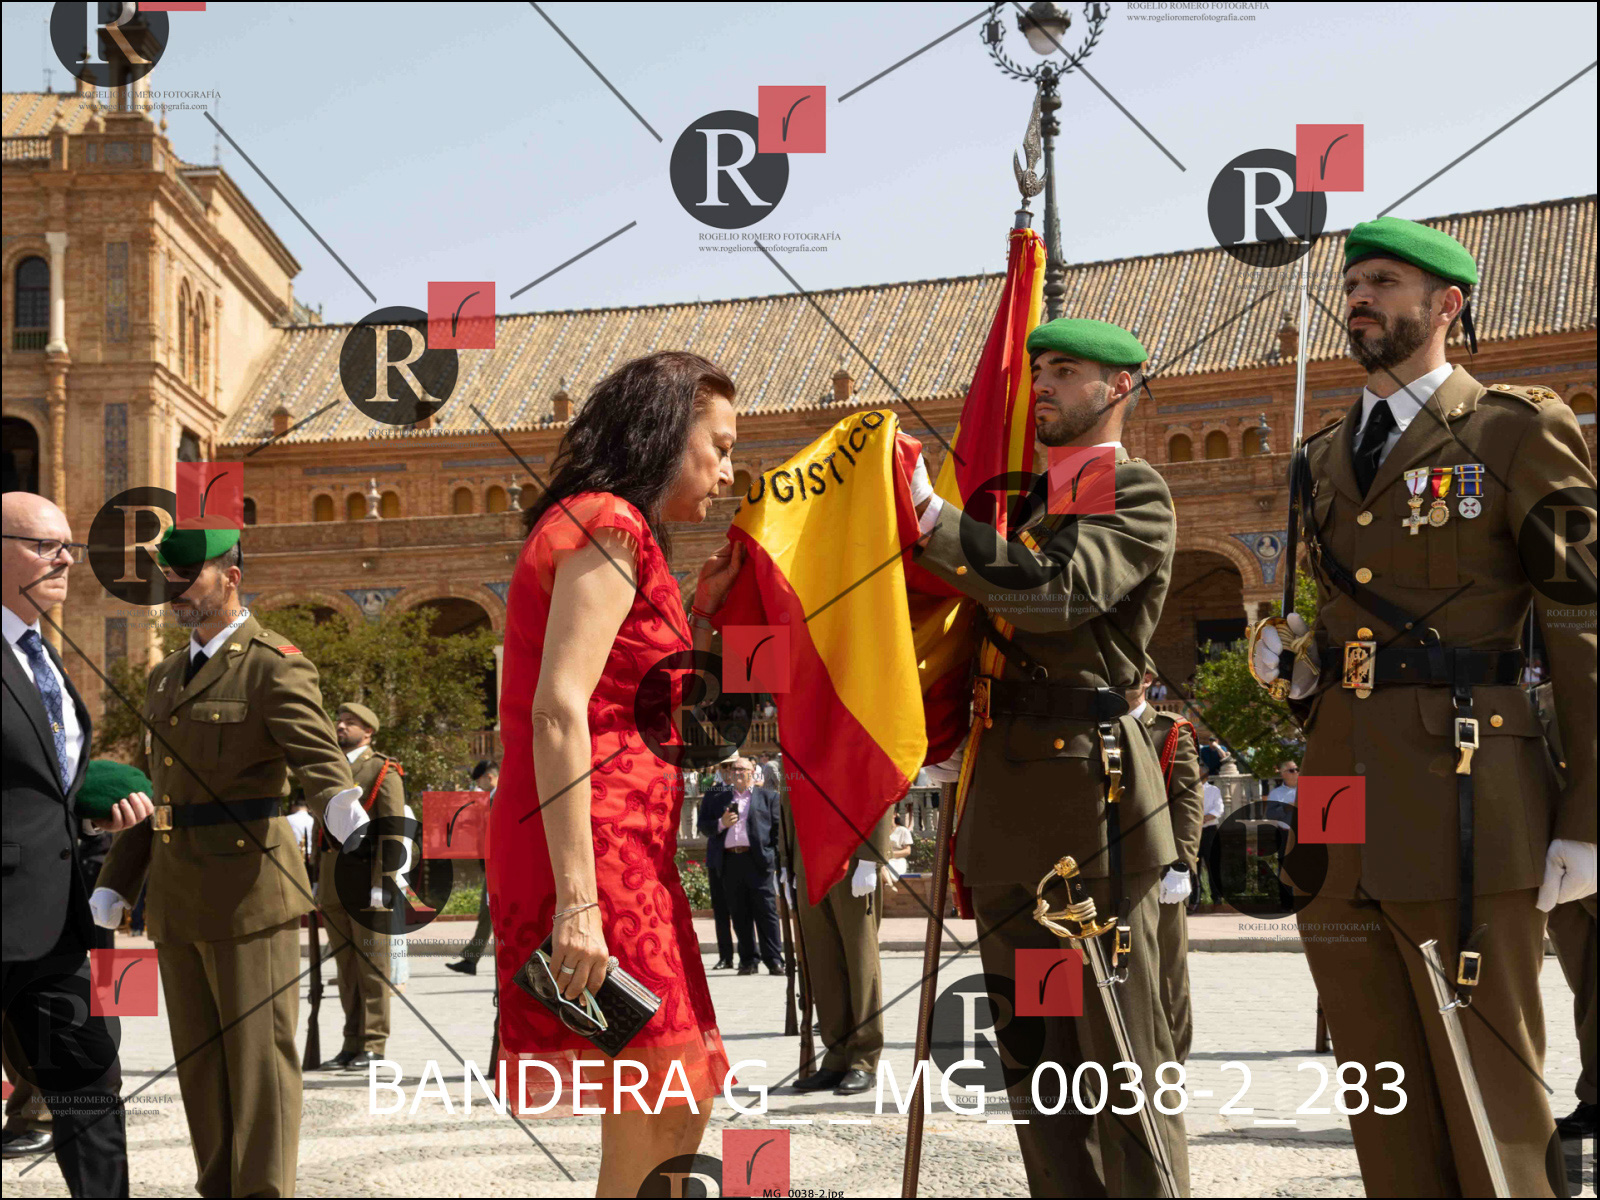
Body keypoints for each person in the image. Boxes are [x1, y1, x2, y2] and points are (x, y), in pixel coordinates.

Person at [1251, 216, 1596, 1196]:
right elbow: (1346, 620)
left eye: (1383, 282)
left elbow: (1582, 621)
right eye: (1352, 283)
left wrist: (1588, 815)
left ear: (1447, 304)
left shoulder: (1514, 429)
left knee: (1488, 1090)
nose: (1359, 297)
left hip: (1468, 787)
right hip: (1337, 795)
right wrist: (1299, 669)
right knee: (1380, 1083)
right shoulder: (1321, 455)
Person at [905, 317, 1187, 1196]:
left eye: (1068, 370)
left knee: (1120, 1060)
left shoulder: (1131, 490)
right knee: (1046, 1074)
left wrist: (935, 521)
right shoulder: (1030, 504)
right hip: (1012, 812)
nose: (1046, 386)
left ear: (1120, 386)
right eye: (1040, 370)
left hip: (1091, 817)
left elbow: (1058, 595)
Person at [489, 351, 744, 1195]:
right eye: (719, 448)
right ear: (666, 435)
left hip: (631, 851)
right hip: (595, 855)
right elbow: (558, 710)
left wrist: (702, 613)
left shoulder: (623, 533)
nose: (727, 473)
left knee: (679, 1094)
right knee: (659, 1096)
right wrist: (579, 902)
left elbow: (638, 702)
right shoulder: (608, 523)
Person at [91, 525, 368, 1198]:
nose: (175, 592)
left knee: (259, 1064)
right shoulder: (164, 676)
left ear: (232, 577)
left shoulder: (274, 663)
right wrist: (117, 880)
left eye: (188, 579)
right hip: (178, 895)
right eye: (168, 580)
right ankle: (218, 1187)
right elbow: (160, 792)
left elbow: (317, 758)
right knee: (201, 1063)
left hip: (250, 893)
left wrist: (343, 809)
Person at [1, 493, 142, 1196]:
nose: (64, 561)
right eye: (43, 546)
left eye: (69, 548)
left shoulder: (43, 657)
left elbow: (43, 785)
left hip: (56, 924)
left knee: (89, 1080)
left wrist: (90, 820)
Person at [313, 702, 406, 1072]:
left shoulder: (382, 769)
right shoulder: (330, 768)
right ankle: (350, 1043)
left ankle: (373, 1044)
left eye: (350, 722)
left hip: (368, 881)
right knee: (346, 969)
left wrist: (383, 883)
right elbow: (322, 829)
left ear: (368, 731)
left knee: (371, 966)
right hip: (333, 882)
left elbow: (392, 830)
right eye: (339, 720)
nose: (340, 726)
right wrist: (317, 878)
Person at [783, 806, 894, 1095]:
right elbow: (788, 798)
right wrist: (785, 860)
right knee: (823, 964)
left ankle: (864, 1059)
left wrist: (870, 857)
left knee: (860, 962)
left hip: (852, 856)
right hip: (807, 858)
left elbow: (881, 786)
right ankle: (836, 1056)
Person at [1128, 671, 1202, 1063]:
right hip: (1101, 867)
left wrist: (1181, 864)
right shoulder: (1089, 726)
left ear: (1147, 679)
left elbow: (1187, 801)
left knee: (1167, 973)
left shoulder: (1168, 730)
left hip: (1157, 869)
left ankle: (1172, 1066)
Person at [700, 757, 784, 976]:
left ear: (753, 772)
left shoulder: (768, 797)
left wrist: (772, 857)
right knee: (739, 913)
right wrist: (721, 823)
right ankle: (748, 960)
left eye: (742, 769)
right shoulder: (718, 797)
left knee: (766, 912)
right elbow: (704, 826)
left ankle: (774, 960)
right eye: (734, 769)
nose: (737, 772)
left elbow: (777, 832)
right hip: (730, 862)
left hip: (758, 861)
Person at [446, 759, 499, 976]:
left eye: (479, 782)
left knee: (490, 912)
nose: (478, 786)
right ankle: (471, 958)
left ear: (489, 777)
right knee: (487, 913)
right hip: (493, 865)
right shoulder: (490, 799)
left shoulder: (500, 797)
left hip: (500, 866)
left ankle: (472, 959)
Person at [695, 779, 737, 970]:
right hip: (719, 860)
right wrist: (721, 823)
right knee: (721, 912)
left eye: (736, 767)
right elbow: (703, 825)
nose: (732, 771)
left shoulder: (757, 793)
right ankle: (725, 957)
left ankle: (753, 959)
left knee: (753, 911)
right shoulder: (714, 793)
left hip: (750, 860)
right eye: (726, 766)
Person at [1264, 762, 1299, 911]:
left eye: (1297, 769)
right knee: (1285, 870)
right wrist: (1286, 808)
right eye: (1292, 770)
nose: (1296, 772)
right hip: (1285, 834)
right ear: (1283, 774)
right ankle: (1287, 904)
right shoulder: (1276, 794)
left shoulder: (1308, 789)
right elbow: (1270, 814)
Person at [1190, 777, 1224, 913]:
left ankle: (1217, 898)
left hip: (1210, 831)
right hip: (1193, 832)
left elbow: (1219, 809)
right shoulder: (1188, 789)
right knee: (1193, 867)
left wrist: (1203, 819)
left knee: (1213, 865)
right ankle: (1194, 899)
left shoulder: (1213, 790)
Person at [887, 812, 915, 878]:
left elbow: (907, 851)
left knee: (883, 867)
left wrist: (890, 854)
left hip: (897, 861)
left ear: (894, 814)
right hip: (882, 860)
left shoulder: (903, 830)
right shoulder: (880, 831)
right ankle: (890, 884)